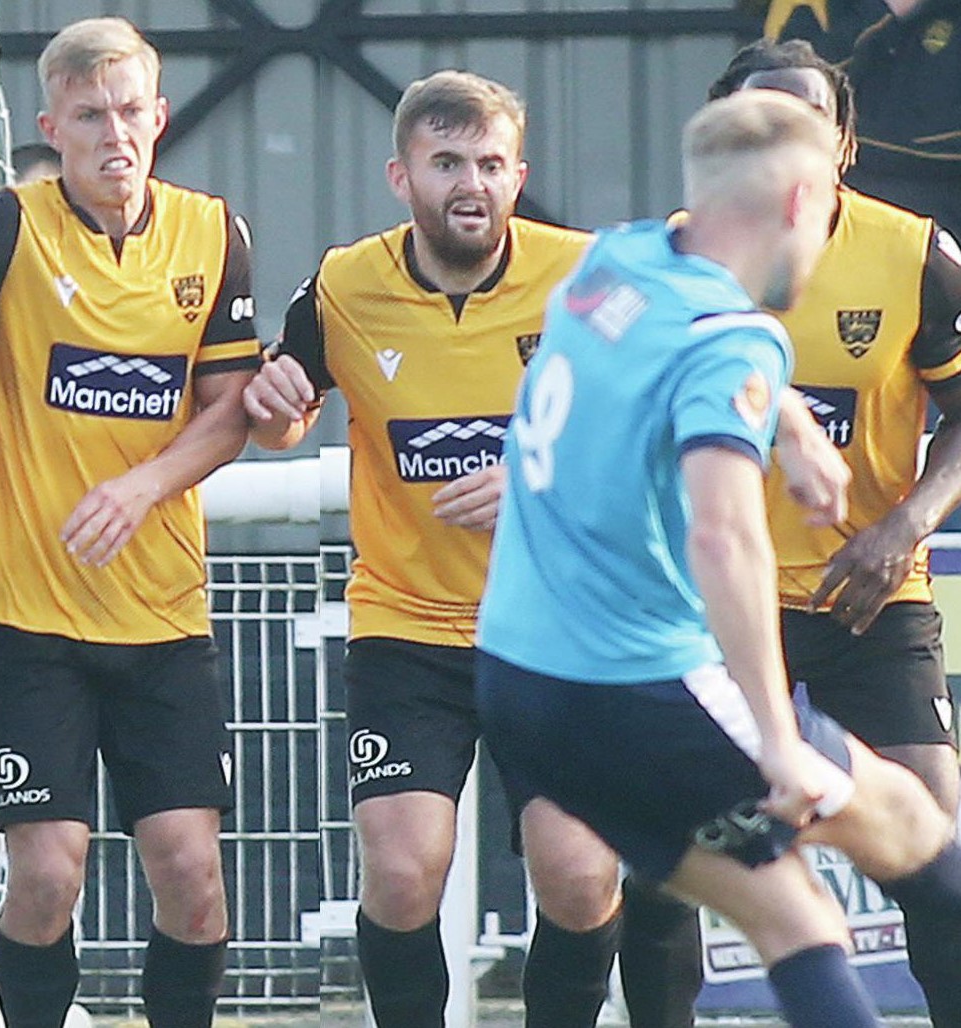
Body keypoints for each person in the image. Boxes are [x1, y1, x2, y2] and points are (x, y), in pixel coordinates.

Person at [476, 89, 961, 1028]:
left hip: (518, 681)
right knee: (809, 904)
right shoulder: (729, 340)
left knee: (852, 854)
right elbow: (725, 536)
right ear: (803, 201)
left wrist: (788, 425)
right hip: (635, 687)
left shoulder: (616, 262)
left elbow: (664, 357)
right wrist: (774, 739)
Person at [0, 17, 258, 1028]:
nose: (112, 134)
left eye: (128, 111)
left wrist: (142, 486)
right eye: (87, 116)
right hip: (28, 623)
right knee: (48, 874)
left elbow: (230, 413)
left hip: (162, 620)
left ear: (159, 117)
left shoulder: (213, 234)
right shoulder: (9, 225)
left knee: (192, 876)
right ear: (52, 126)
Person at [617, 40, 961, 1028]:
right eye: (762, 122)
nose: (783, 141)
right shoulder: (665, 261)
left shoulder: (914, 254)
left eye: (807, 122)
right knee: (664, 858)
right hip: (704, 599)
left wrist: (902, 527)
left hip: (865, 594)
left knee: (926, 835)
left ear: (844, 146)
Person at [242, 70, 628, 1027]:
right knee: (406, 869)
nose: (471, 184)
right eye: (447, 163)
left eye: (491, 164)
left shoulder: (588, 278)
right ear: (401, 176)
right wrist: (276, 407)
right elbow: (287, 412)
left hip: (556, 628)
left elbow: (660, 424)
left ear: (519, 175)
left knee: (581, 877)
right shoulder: (345, 285)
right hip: (408, 626)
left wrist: (540, 480)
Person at [763, 0, 961, 328]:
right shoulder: (805, 7)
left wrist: (847, 144)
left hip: (951, 277)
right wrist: (882, 15)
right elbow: (785, 112)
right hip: (823, 274)